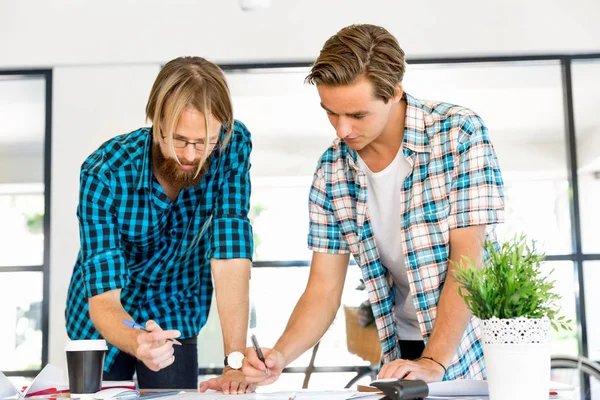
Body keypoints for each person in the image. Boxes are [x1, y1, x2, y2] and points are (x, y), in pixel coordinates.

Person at [242, 24, 505, 384]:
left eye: (357, 115)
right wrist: (279, 355)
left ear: (395, 92)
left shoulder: (459, 134)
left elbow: (467, 263)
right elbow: (322, 289)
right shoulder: (331, 170)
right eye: (330, 112)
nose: (341, 130)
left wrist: (435, 361)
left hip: (474, 347)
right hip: (404, 347)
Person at [65, 56, 255, 394]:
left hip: (176, 303)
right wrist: (136, 338)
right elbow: (104, 299)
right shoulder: (103, 171)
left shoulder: (231, 146)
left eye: (204, 142)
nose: (191, 156)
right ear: (156, 123)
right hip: (106, 313)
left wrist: (235, 360)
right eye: (180, 140)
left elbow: (230, 253)